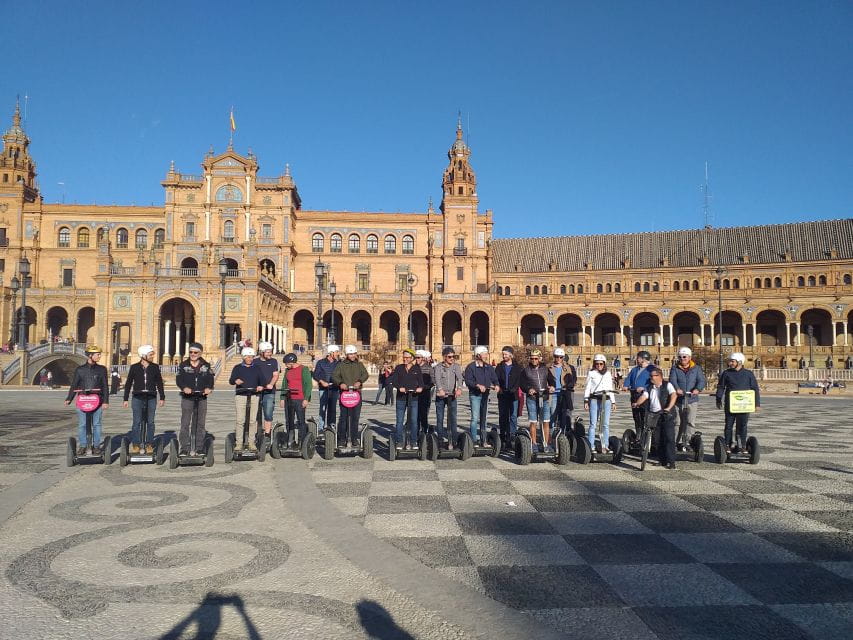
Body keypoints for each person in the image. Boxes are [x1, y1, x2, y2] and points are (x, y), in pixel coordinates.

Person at [64, 345, 109, 455]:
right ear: (90, 355)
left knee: (97, 424)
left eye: (99, 354)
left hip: (97, 399)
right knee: (82, 424)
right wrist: (69, 398)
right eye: (97, 354)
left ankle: (97, 446)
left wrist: (106, 401)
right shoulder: (80, 370)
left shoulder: (102, 369)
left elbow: (105, 386)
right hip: (83, 400)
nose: (99, 356)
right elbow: (74, 385)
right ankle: (83, 445)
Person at [122, 344, 165, 454]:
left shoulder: (155, 367)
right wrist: (125, 398)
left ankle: (149, 443)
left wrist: (162, 397)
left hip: (151, 396)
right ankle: (136, 443)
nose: (152, 356)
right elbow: (128, 383)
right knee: (137, 422)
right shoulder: (134, 367)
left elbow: (159, 382)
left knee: (150, 422)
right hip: (137, 397)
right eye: (151, 354)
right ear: (143, 355)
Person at [715, 352, 761, 454]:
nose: (730, 363)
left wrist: (757, 404)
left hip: (744, 404)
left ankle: (742, 445)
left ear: (739, 362)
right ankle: (728, 444)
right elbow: (721, 386)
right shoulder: (726, 373)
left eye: (732, 361)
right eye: (730, 361)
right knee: (729, 425)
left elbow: (754, 389)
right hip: (730, 404)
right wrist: (718, 399)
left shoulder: (748, 374)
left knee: (742, 425)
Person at [632, 367, 678, 469]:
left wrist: (669, 408)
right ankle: (662, 460)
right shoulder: (649, 387)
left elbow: (674, 395)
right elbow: (644, 396)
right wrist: (637, 403)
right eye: (651, 376)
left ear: (660, 376)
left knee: (669, 438)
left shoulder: (668, 385)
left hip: (666, 414)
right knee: (657, 439)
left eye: (653, 376)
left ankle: (671, 461)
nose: (651, 378)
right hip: (654, 415)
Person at [176, 343, 213, 455]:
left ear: (200, 353)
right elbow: (179, 379)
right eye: (191, 352)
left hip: (201, 397)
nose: (193, 354)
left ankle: (199, 447)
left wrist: (208, 388)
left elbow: (210, 379)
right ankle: (185, 448)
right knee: (185, 423)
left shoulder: (206, 366)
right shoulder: (183, 365)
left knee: (200, 423)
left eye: (195, 352)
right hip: (188, 397)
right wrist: (184, 388)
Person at [668, 346, 707, 452]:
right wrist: (677, 389)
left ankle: (688, 441)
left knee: (690, 421)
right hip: (679, 399)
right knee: (677, 421)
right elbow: (672, 380)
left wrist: (697, 389)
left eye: (684, 357)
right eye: (680, 357)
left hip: (692, 399)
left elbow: (701, 381)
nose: (682, 359)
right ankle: (676, 442)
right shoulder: (675, 368)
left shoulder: (696, 368)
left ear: (689, 357)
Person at [332, 345, 370, 447]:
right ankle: (342, 439)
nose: (352, 356)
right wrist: (340, 383)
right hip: (345, 394)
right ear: (347, 354)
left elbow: (365, 374)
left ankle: (354, 439)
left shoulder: (359, 365)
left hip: (356, 394)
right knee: (344, 417)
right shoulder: (341, 365)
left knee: (355, 417)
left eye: (353, 354)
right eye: (350, 354)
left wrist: (359, 381)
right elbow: (334, 376)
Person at [229, 347, 264, 452]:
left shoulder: (257, 368)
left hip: (253, 395)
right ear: (243, 357)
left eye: (252, 357)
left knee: (253, 420)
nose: (250, 359)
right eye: (248, 357)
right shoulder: (237, 368)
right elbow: (231, 380)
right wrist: (236, 380)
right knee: (240, 420)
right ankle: (239, 443)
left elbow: (263, 380)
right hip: (241, 395)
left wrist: (260, 386)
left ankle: (251, 442)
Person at [464, 346, 499, 445]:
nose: (486, 356)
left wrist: (496, 385)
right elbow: (468, 381)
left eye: (486, 354)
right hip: (475, 395)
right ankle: (473, 441)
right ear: (478, 355)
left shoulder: (488, 367)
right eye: (484, 354)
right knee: (475, 418)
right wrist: (477, 385)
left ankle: (483, 440)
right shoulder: (471, 367)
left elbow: (494, 378)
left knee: (484, 418)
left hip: (485, 395)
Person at [390, 349, 423, 450]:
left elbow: (421, 382)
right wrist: (399, 387)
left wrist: (420, 388)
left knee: (413, 420)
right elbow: (394, 381)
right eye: (404, 357)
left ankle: (413, 441)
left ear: (412, 358)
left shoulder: (416, 368)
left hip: (413, 398)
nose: (405, 359)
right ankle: (399, 441)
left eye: (408, 357)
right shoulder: (399, 368)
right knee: (399, 421)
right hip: (401, 398)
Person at [583, 353, 616, 452]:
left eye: (601, 364)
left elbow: (610, 388)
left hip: (606, 399)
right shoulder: (591, 373)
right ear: (594, 364)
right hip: (594, 399)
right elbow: (588, 387)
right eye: (597, 364)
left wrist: (613, 402)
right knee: (593, 423)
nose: (599, 366)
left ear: (604, 364)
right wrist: (586, 400)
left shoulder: (608, 373)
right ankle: (591, 445)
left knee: (605, 424)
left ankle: (605, 445)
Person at [520, 349, 552, 452]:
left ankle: (546, 444)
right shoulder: (526, 370)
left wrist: (552, 387)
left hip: (544, 397)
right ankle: (533, 444)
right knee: (533, 421)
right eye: (532, 358)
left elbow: (552, 381)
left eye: (536, 358)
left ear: (540, 359)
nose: (533, 360)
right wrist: (528, 389)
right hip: (532, 399)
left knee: (545, 421)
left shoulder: (546, 369)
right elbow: (522, 384)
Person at [433, 346, 464, 448]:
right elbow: (437, 379)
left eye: (453, 356)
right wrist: (440, 390)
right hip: (441, 396)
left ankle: (453, 439)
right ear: (444, 357)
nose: (452, 358)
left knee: (453, 418)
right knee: (440, 418)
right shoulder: (438, 367)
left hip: (452, 396)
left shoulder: (456, 366)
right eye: (450, 357)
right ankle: (440, 438)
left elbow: (460, 378)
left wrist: (459, 388)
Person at [280, 352, 312, 443]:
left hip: (300, 398)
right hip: (289, 398)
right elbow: (284, 384)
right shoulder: (287, 370)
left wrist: (306, 398)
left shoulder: (304, 369)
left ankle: (302, 440)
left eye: (286, 364)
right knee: (289, 420)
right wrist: (282, 398)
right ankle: (291, 440)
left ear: (292, 362)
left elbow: (308, 385)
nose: (286, 366)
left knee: (301, 420)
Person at [495, 346, 523, 449]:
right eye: (503, 354)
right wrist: (498, 386)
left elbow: (519, 380)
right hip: (502, 394)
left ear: (511, 355)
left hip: (513, 394)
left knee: (513, 416)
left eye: (506, 354)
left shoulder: (517, 367)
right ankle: (503, 436)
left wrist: (514, 388)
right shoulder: (499, 366)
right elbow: (496, 378)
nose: (504, 356)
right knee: (503, 416)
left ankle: (512, 436)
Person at [255, 341, 281, 442]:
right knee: (255, 413)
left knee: (268, 412)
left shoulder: (274, 361)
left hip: (269, 392)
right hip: (257, 391)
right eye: (267, 352)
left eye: (270, 351)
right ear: (261, 352)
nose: (270, 353)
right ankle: (257, 432)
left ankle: (267, 434)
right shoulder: (255, 362)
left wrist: (271, 384)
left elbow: (275, 375)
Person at [624, 350, 652, 437]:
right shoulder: (635, 369)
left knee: (644, 416)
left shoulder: (651, 369)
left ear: (643, 359)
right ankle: (638, 434)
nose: (637, 359)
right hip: (634, 395)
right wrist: (625, 385)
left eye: (638, 358)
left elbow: (654, 383)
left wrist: (644, 388)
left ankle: (645, 434)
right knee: (636, 416)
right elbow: (628, 378)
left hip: (645, 396)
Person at [548, 347, 577, 433]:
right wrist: (548, 387)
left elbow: (574, 380)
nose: (558, 359)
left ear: (563, 358)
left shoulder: (569, 367)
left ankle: (564, 433)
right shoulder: (549, 367)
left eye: (561, 357)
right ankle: (551, 434)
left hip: (565, 393)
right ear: (554, 357)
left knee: (565, 414)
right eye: (557, 357)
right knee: (553, 414)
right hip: (553, 394)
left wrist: (568, 386)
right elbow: (545, 380)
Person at [313, 345, 341, 432]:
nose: (338, 354)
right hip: (323, 389)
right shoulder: (321, 362)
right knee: (323, 408)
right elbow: (315, 374)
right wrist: (321, 381)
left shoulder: (339, 363)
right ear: (331, 353)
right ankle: (321, 428)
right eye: (336, 352)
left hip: (334, 388)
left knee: (332, 408)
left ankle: (331, 426)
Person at [415, 350, 434, 437]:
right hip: (415, 394)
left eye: (418, 358)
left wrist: (425, 387)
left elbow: (433, 381)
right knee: (415, 414)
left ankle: (425, 429)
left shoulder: (429, 368)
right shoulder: (414, 367)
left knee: (423, 413)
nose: (417, 359)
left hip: (425, 394)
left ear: (422, 358)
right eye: (416, 358)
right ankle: (416, 431)